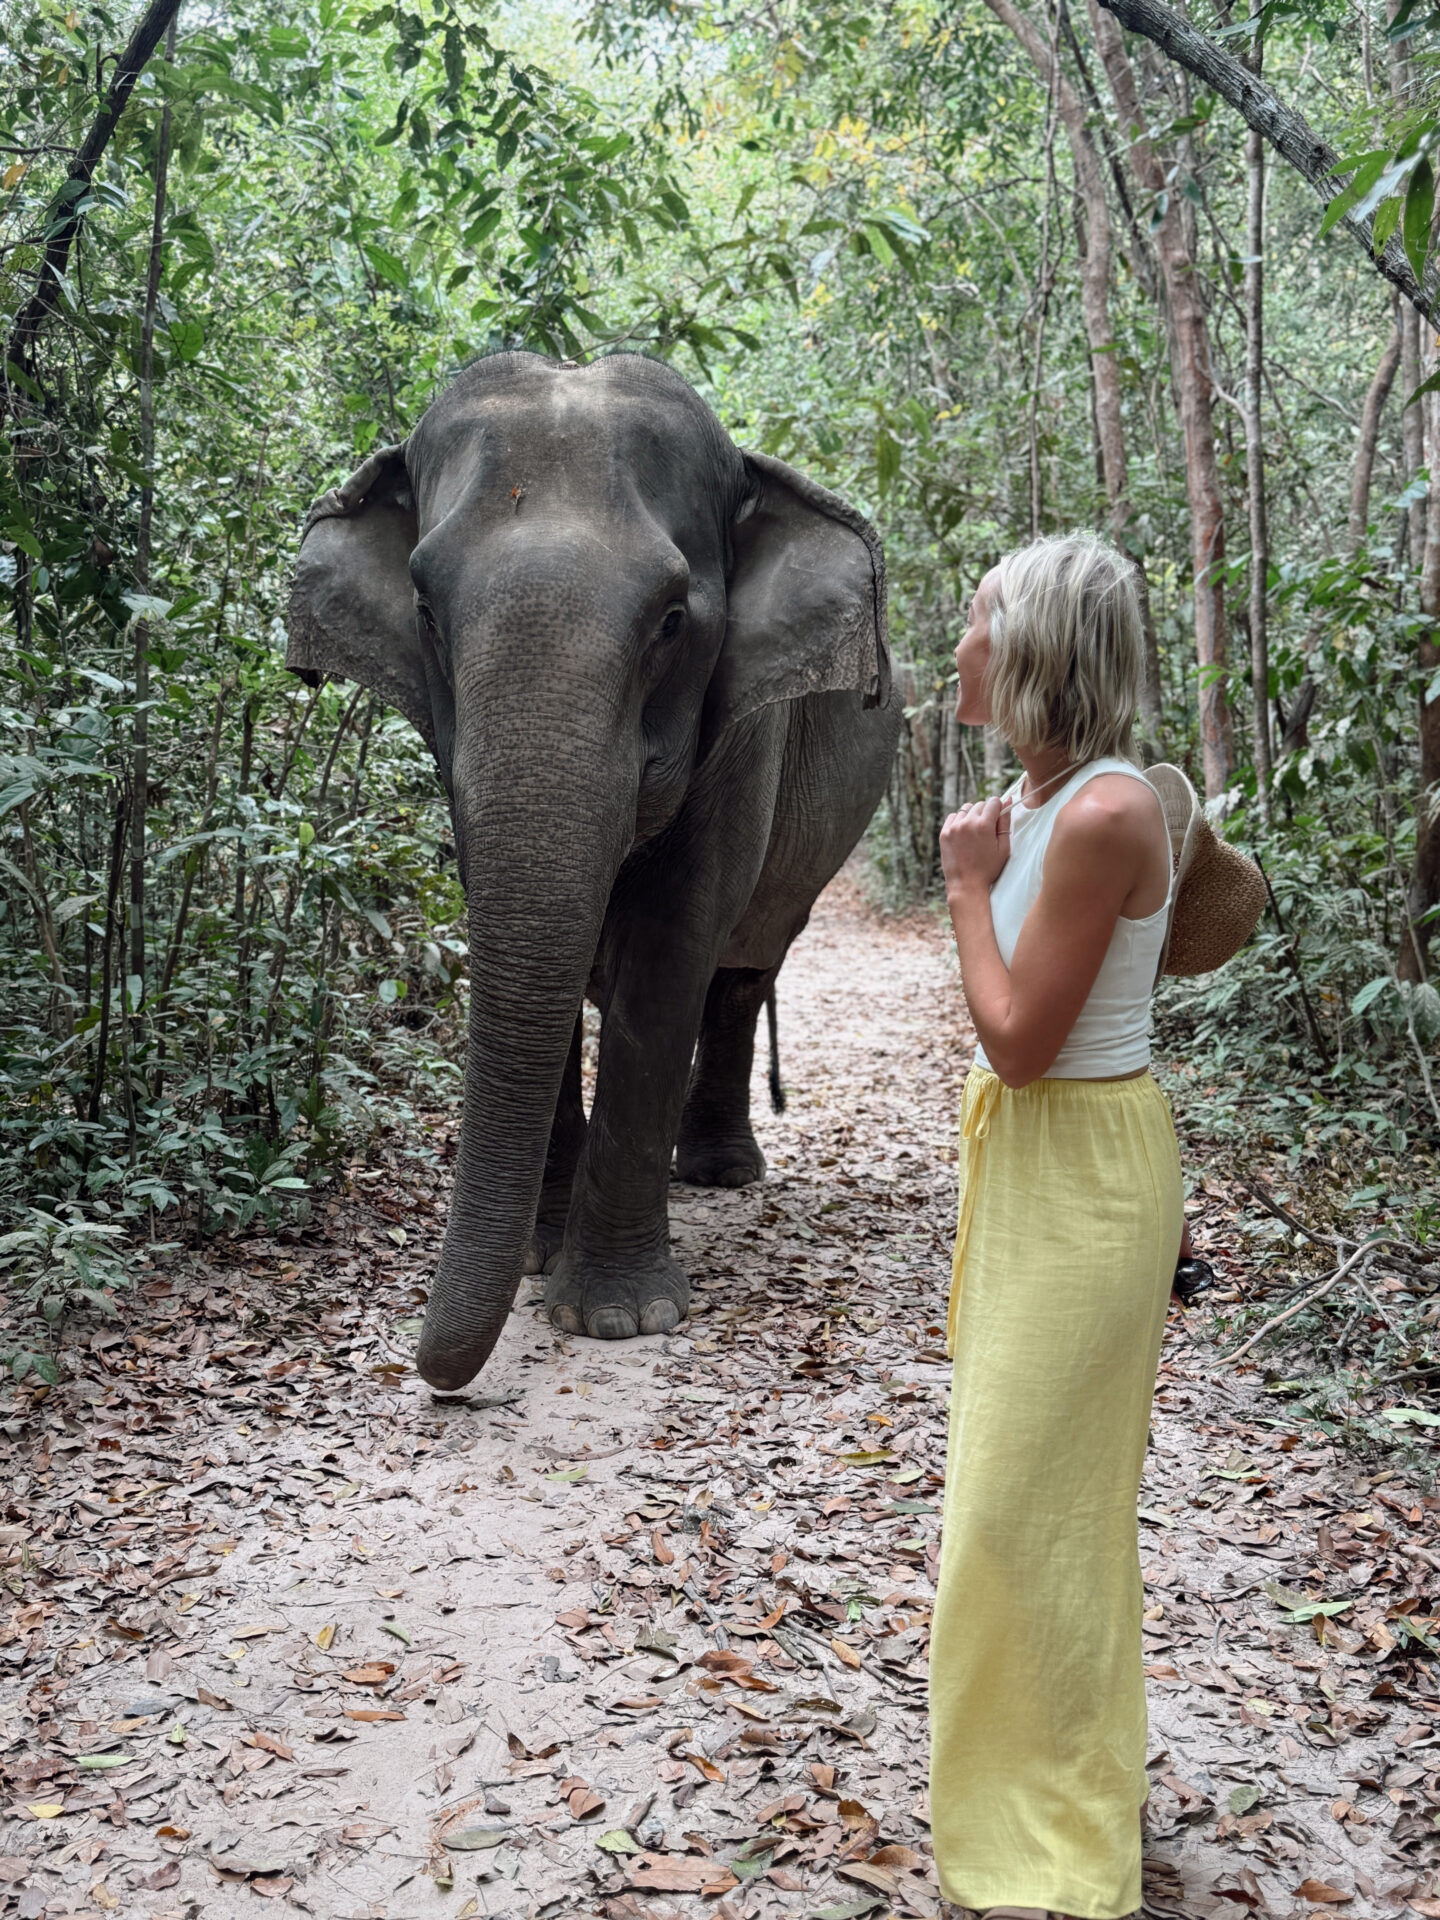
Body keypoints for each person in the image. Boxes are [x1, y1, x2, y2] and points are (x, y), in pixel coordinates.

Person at [929, 532, 1184, 1920]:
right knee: (1009, 1503)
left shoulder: (1101, 814)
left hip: (1084, 1167)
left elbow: (1024, 1040)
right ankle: (1021, 1786)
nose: (956, 648)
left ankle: (1068, 1826)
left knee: (1039, 1514)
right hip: (1029, 1172)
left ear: (1029, 651)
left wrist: (965, 887)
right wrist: (984, 858)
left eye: (975, 625)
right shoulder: (1036, 799)